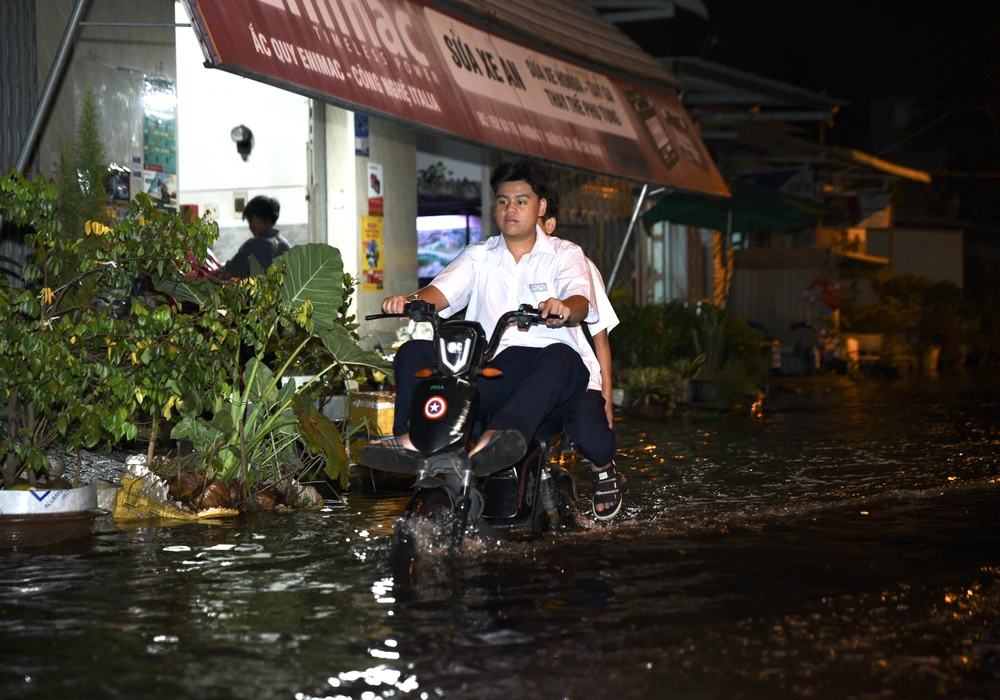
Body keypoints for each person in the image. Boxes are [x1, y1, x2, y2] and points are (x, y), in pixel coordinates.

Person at [378, 158, 595, 461]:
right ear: (494, 208)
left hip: (546, 376)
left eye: (521, 201)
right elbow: (440, 292)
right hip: (487, 370)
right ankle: (413, 436)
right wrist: (409, 301)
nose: (511, 209)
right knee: (413, 352)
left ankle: (499, 438)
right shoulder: (479, 255)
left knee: (563, 355)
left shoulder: (565, 254)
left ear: (541, 208)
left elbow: (580, 301)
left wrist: (563, 307)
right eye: (503, 201)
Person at [539, 187, 623, 520]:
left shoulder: (578, 265)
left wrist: (606, 401)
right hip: (529, 371)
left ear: (549, 224)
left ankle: (603, 468)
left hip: (575, 373)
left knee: (593, 437)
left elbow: (600, 340)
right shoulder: (500, 258)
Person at [219, 195, 291, 279]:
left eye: (249, 221)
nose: (250, 227)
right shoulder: (285, 245)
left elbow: (227, 273)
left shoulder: (254, 245)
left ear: (255, 220)